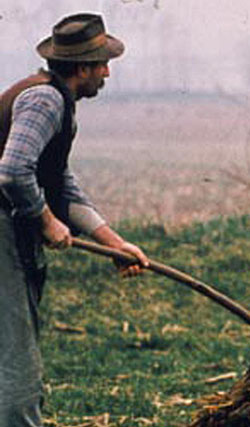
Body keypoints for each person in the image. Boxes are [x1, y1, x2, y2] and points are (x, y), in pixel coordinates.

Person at [0, 13, 150, 426]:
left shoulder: (54, 99)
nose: (105, 72)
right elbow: (12, 171)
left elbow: (57, 179)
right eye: (102, 63)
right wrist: (46, 221)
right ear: (82, 68)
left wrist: (112, 242)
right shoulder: (46, 100)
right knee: (17, 359)